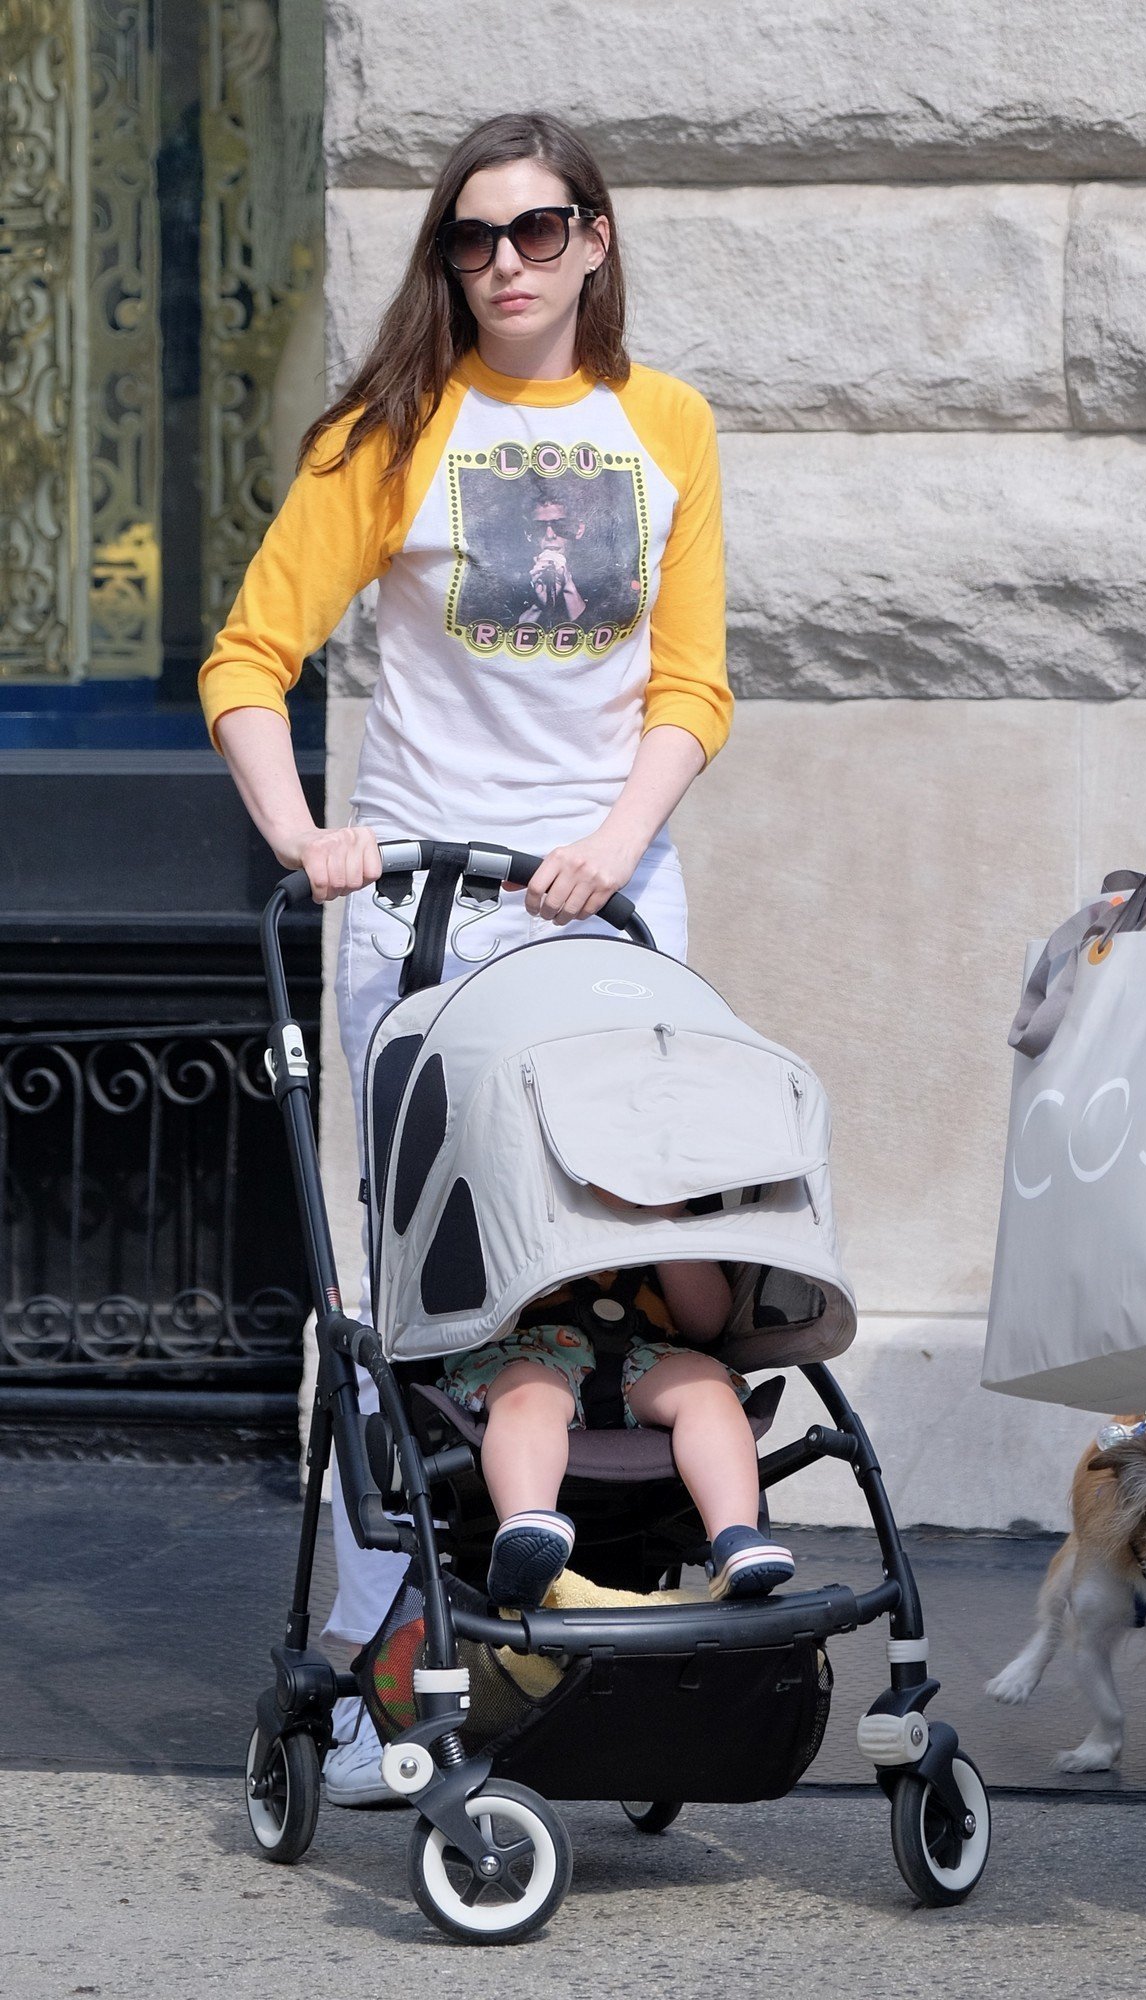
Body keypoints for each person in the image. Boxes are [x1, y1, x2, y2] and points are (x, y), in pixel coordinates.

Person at [199, 111, 744, 1802]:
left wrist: (611, 839)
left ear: (594, 237)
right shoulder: (389, 434)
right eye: (470, 237)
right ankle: (395, 1679)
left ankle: (619, 1638)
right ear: (448, 259)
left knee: (633, 1274)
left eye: (533, 228)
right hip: (427, 915)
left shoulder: (665, 427)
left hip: (611, 910)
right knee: (424, 1301)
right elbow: (248, 656)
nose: (501, 260)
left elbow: (690, 683)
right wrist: (307, 842)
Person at [441, 1191, 797, 1610]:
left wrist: (664, 1224)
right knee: (527, 1396)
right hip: (529, 1349)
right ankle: (525, 1535)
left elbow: (706, 1324)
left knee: (707, 1388)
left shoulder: (676, 1214)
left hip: (643, 1354)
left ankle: (734, 1538)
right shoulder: (517, 1194)